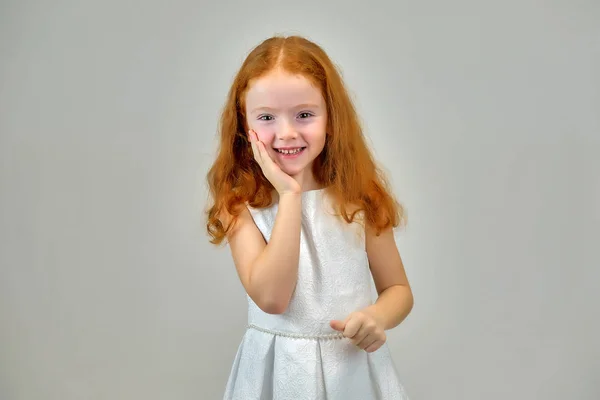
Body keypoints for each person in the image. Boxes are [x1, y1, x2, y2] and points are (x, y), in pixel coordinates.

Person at [205, 35, 414, 399]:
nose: (287, 133)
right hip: (277, 372)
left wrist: (378, 317)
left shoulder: (358, 196)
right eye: (267, 117)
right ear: (244, 125)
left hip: (350, 370)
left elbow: (399, 290)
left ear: (331, 117)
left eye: (304, 114)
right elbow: (272, 299)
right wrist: (289, 196)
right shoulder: (239, 204)